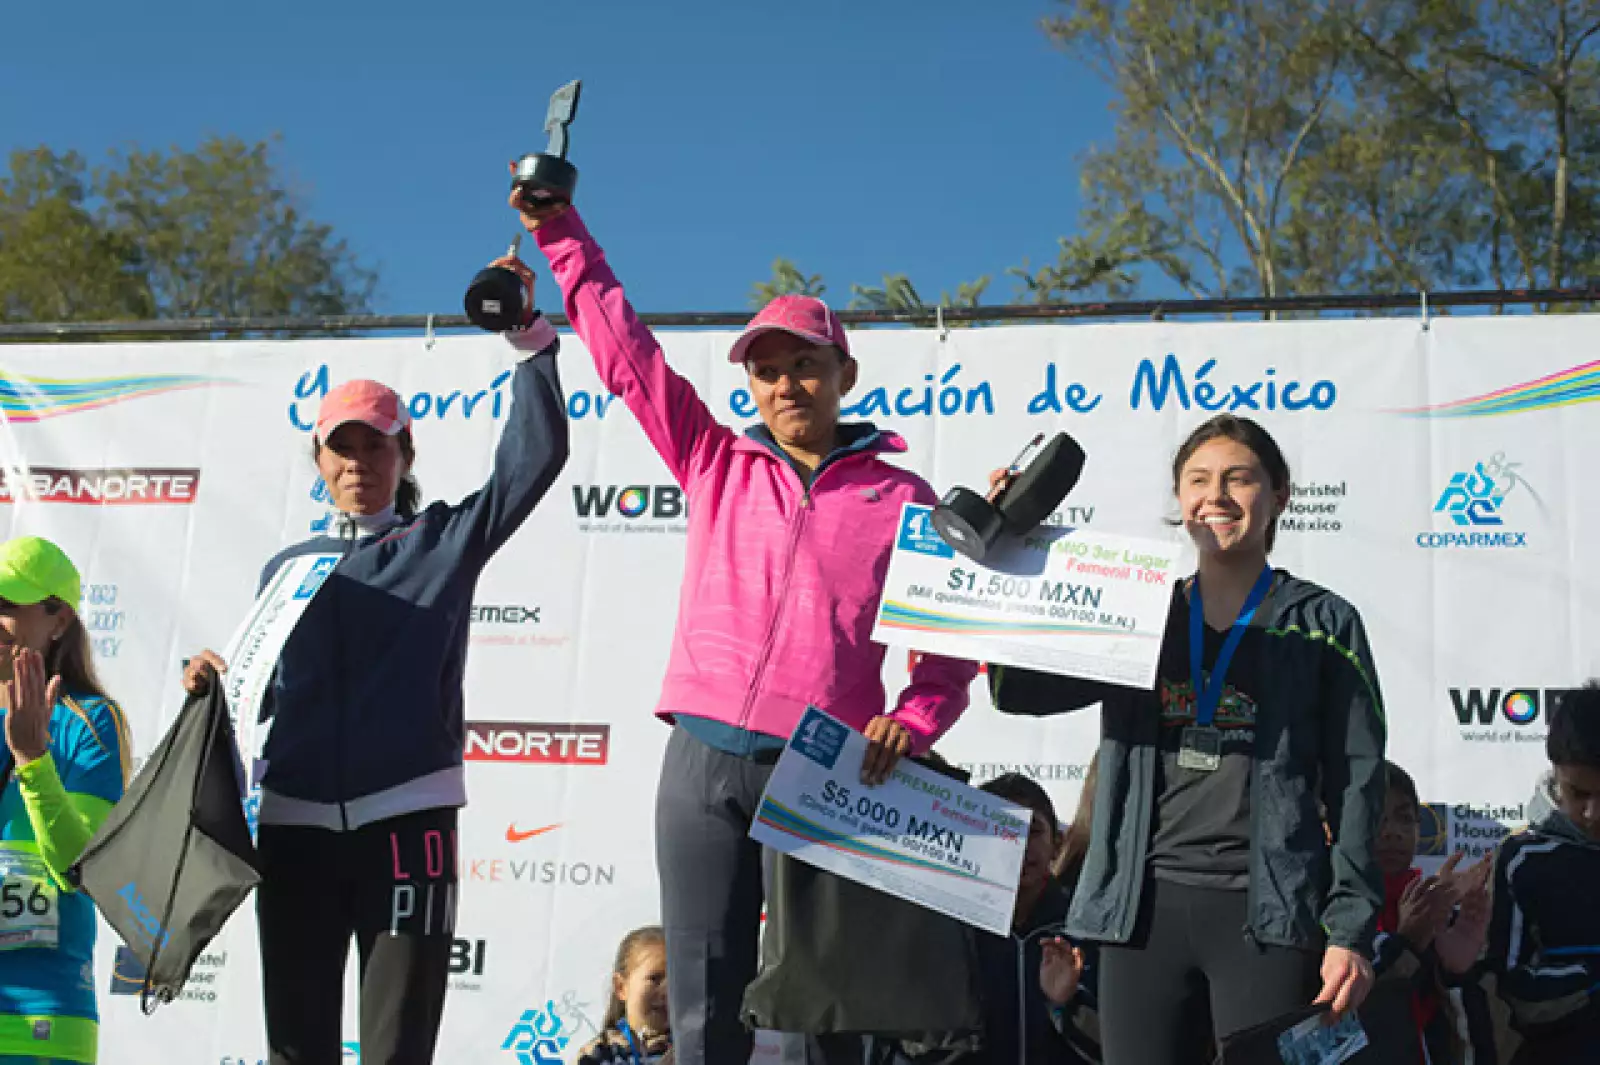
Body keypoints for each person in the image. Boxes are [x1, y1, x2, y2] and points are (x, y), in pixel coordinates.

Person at [510, 187, 979, 1065]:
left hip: (824, 765)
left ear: (844, 373)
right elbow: (627, 353)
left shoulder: (902, 498)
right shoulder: (713, 456)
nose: (785, 383)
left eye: (804, 364)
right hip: (702, 758)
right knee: (702, 1011)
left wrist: (912, 721)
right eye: (765, 371)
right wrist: (559, 232)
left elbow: (949, 651)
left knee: (825, 1013)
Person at [181, 257, 569, 1065]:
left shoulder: (442, 541)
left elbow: (531, 462)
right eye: (342, 448)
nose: (359, 461)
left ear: (405, 453)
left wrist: (530, 343)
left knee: (397, 1051)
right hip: (293, 829)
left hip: (408, 821)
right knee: (296, 1050)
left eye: (375, 445)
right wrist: (211, 686)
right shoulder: (286, 570)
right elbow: (261, 697)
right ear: (319, 460)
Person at [988, 414, 1386, 1064]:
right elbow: (1020, 690)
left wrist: (1350, 930)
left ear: (1280, 494)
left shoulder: (1322, 624)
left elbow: (1358, 784)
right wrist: (1010, 549)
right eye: (1198, 480)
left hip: (1268, 915)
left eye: (1238, 478)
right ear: (1179, 498)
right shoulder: (1137, 611)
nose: (1216, 496)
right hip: (1142, 914)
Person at [0, 536, 132, 1065]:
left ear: (59, 620)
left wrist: (33, 759)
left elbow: (79, 868)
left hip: (41, 1019)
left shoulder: (89, 721)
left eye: (9, 605)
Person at [1438, 681, 1600, 1062]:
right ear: (1555, 774)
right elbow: (1512, 992)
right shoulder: (1523, 859)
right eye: (1579, 793)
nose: (1593, 813)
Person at [1370, 761, 1497, 1064]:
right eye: (1374, 817)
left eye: (1404, 818)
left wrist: (1456, 974)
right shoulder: (1319, 917)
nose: (1392, 832)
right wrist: (1406, 946)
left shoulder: (1440, 918)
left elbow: (1474, 1048)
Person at [976, 774, 1100, 1065]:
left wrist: (1065, 1004)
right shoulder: (954, 930)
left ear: (1057, 844)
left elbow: (1115, 1047)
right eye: (1000, 831)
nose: (1018, 844)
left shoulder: (1084, 925)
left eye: (1032, 831)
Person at [576, 926, 672, 1065]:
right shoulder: (598, 1053)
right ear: (621, 987)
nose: (666, 991)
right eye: (654, 978)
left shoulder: (692, 1047)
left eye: (676, 981)